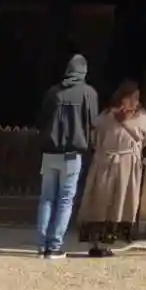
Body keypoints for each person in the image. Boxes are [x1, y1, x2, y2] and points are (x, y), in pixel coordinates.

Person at [78, 80, 146, 257]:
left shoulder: (142, 118)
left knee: (121, 202)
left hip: (127, 164)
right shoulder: (105, 117)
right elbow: (94, 137)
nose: (134, 102)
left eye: (136, 98)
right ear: (121, 98)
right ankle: (96, 243)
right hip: (105, 163)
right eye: (130, 98)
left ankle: (110, 242)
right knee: (100, 201)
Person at [35, 54, 99, 259]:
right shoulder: (89, 93)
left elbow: (41, 120)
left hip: (49, 152)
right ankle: (54, 245)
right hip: (72, 154)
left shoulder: (53, 92)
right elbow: (93, 122)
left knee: (46, 198)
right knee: (65, 199)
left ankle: (41, 245)